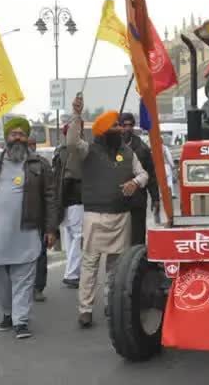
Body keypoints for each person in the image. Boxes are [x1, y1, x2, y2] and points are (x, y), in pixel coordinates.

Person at [0, 118, 59, 339]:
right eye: (14, 134)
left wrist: (51, 229)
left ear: (28, 138)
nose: (18, 137)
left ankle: (21, 320)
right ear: (6, 137)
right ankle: (8, 312)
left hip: (27, 229)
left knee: (24, 275)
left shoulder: (40, 164)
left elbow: (50, 198)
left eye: (22, 134)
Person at [68, 97, 149, 328]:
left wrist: (136, 182)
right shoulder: (88, 150)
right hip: (95, 216)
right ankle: (85, 309)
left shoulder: (128, 152)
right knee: (90, 264)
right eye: (114, 126)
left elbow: (143, 174)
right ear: (104, 129)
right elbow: (73, 142)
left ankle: (109, 303)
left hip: (121, 217)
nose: (119, 130)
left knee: (116, 266)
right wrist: (76, 115)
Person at [119, 112, 160, 244]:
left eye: (130, 125)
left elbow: (151, 175)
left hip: (138, 199)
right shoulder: (113, 146)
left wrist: (155, 198)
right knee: (120, 239)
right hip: (118, 201)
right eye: (124, 125)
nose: (127, 128)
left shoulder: (142, 148)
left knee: (137, 237)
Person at [53, 123, 84, 289]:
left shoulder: (59, 151)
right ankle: (72, 274)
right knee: (78, 236)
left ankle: (72, 271)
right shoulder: (72, 152)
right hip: (74, 199)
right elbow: (69, 177)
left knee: (71, 237)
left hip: (65, 199)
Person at [27, 135, 49, 302]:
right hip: (21, 220)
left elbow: (50, 194)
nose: (32, 147)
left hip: (39, 218)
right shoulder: (14, 165)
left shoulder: (43, 164)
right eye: (29, 144)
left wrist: (51, 226)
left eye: (34, 144)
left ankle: (38, 287)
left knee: (40, 254)